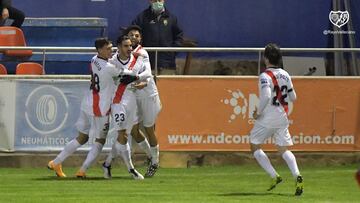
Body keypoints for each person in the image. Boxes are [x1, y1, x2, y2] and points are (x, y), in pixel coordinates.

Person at [47, 38, 120, 178]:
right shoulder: (109, 68)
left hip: (87, 103)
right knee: (100, 140)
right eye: (108, 48)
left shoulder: (93, 60)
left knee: (82, 137)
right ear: (100, 50)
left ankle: (56, 162)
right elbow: (126, 74)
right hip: (100, 107)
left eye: (112, 48)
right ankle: (82, 170)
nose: (112, 51)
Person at [102, 25, 161, 179]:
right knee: (129, 132)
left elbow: (148, 74)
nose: (133, 38)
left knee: (148, 129)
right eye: (130, 36)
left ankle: (154, 161)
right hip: (126, 100)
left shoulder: (141, 54)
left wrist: (139, 79)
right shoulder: (114, 60)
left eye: (136, 36)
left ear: (140, 39)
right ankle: (137, 163)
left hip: (147, 96)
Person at [249, 43, 303, 196]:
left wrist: (258, 112)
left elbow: (266, 96)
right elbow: (293, 97)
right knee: (283, 149)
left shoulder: (265, 76)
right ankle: (297, 175)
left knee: (254, 146)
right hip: (282, 117)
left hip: (267, 117)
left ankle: (274, 176)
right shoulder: (286, 74)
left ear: (266, 59)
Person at [131, 0, 183, 74]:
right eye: (155, 0)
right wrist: (140, 53)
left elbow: (179, 36)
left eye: (159, 0)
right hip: (147, 63)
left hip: (167, 64)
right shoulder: (141, 17)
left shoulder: (172, 18)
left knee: (167, 85)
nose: (157, 3)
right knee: (147, 85)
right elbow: (133, 36)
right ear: (150, 1)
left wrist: (172, 52)